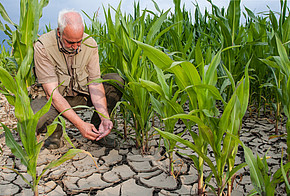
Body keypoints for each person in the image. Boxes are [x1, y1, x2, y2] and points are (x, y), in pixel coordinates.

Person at [31, 9, 123, 149]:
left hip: (81, 95)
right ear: (59, 33)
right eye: (70, 43)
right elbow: (52, 94)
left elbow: (95, 84)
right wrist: (80, 125)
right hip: (55, 98)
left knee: (115, 82)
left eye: (79, 42)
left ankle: (98, 130)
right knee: (34, 117)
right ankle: (55, 134)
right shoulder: (43, 46)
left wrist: (104, 117)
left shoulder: (90, 44)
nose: (75, 47)